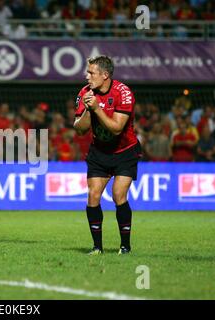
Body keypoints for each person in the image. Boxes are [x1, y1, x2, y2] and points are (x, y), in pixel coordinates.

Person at [73, 55, 141, 255]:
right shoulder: (85, 93)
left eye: (91, 73)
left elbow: (117, 128)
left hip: (124, 152)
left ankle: (125, 246)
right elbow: (79, 129)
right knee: (93, 196)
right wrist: (87, 110)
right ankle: (97, 248)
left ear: (105, 75)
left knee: (118, 194)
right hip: (99, 152)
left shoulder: (124, 93)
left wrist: (96, 109)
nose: (87, 77)